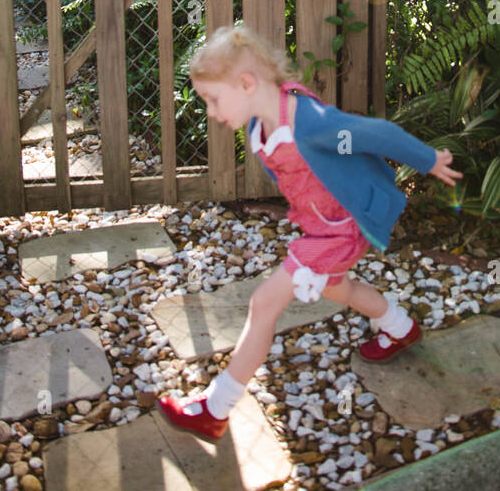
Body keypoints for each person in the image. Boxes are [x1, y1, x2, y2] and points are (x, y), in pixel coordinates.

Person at [157, 22, 462, 443]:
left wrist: (427, 159)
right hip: (320, 227)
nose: (211, 111)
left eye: (213, 99)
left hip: (336, 232)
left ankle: (216, 408)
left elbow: (376, 134)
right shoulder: (258, 124)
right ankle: (398, 326)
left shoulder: (309, 122)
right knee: (340, 291)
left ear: (246, 83)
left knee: (264, 304)